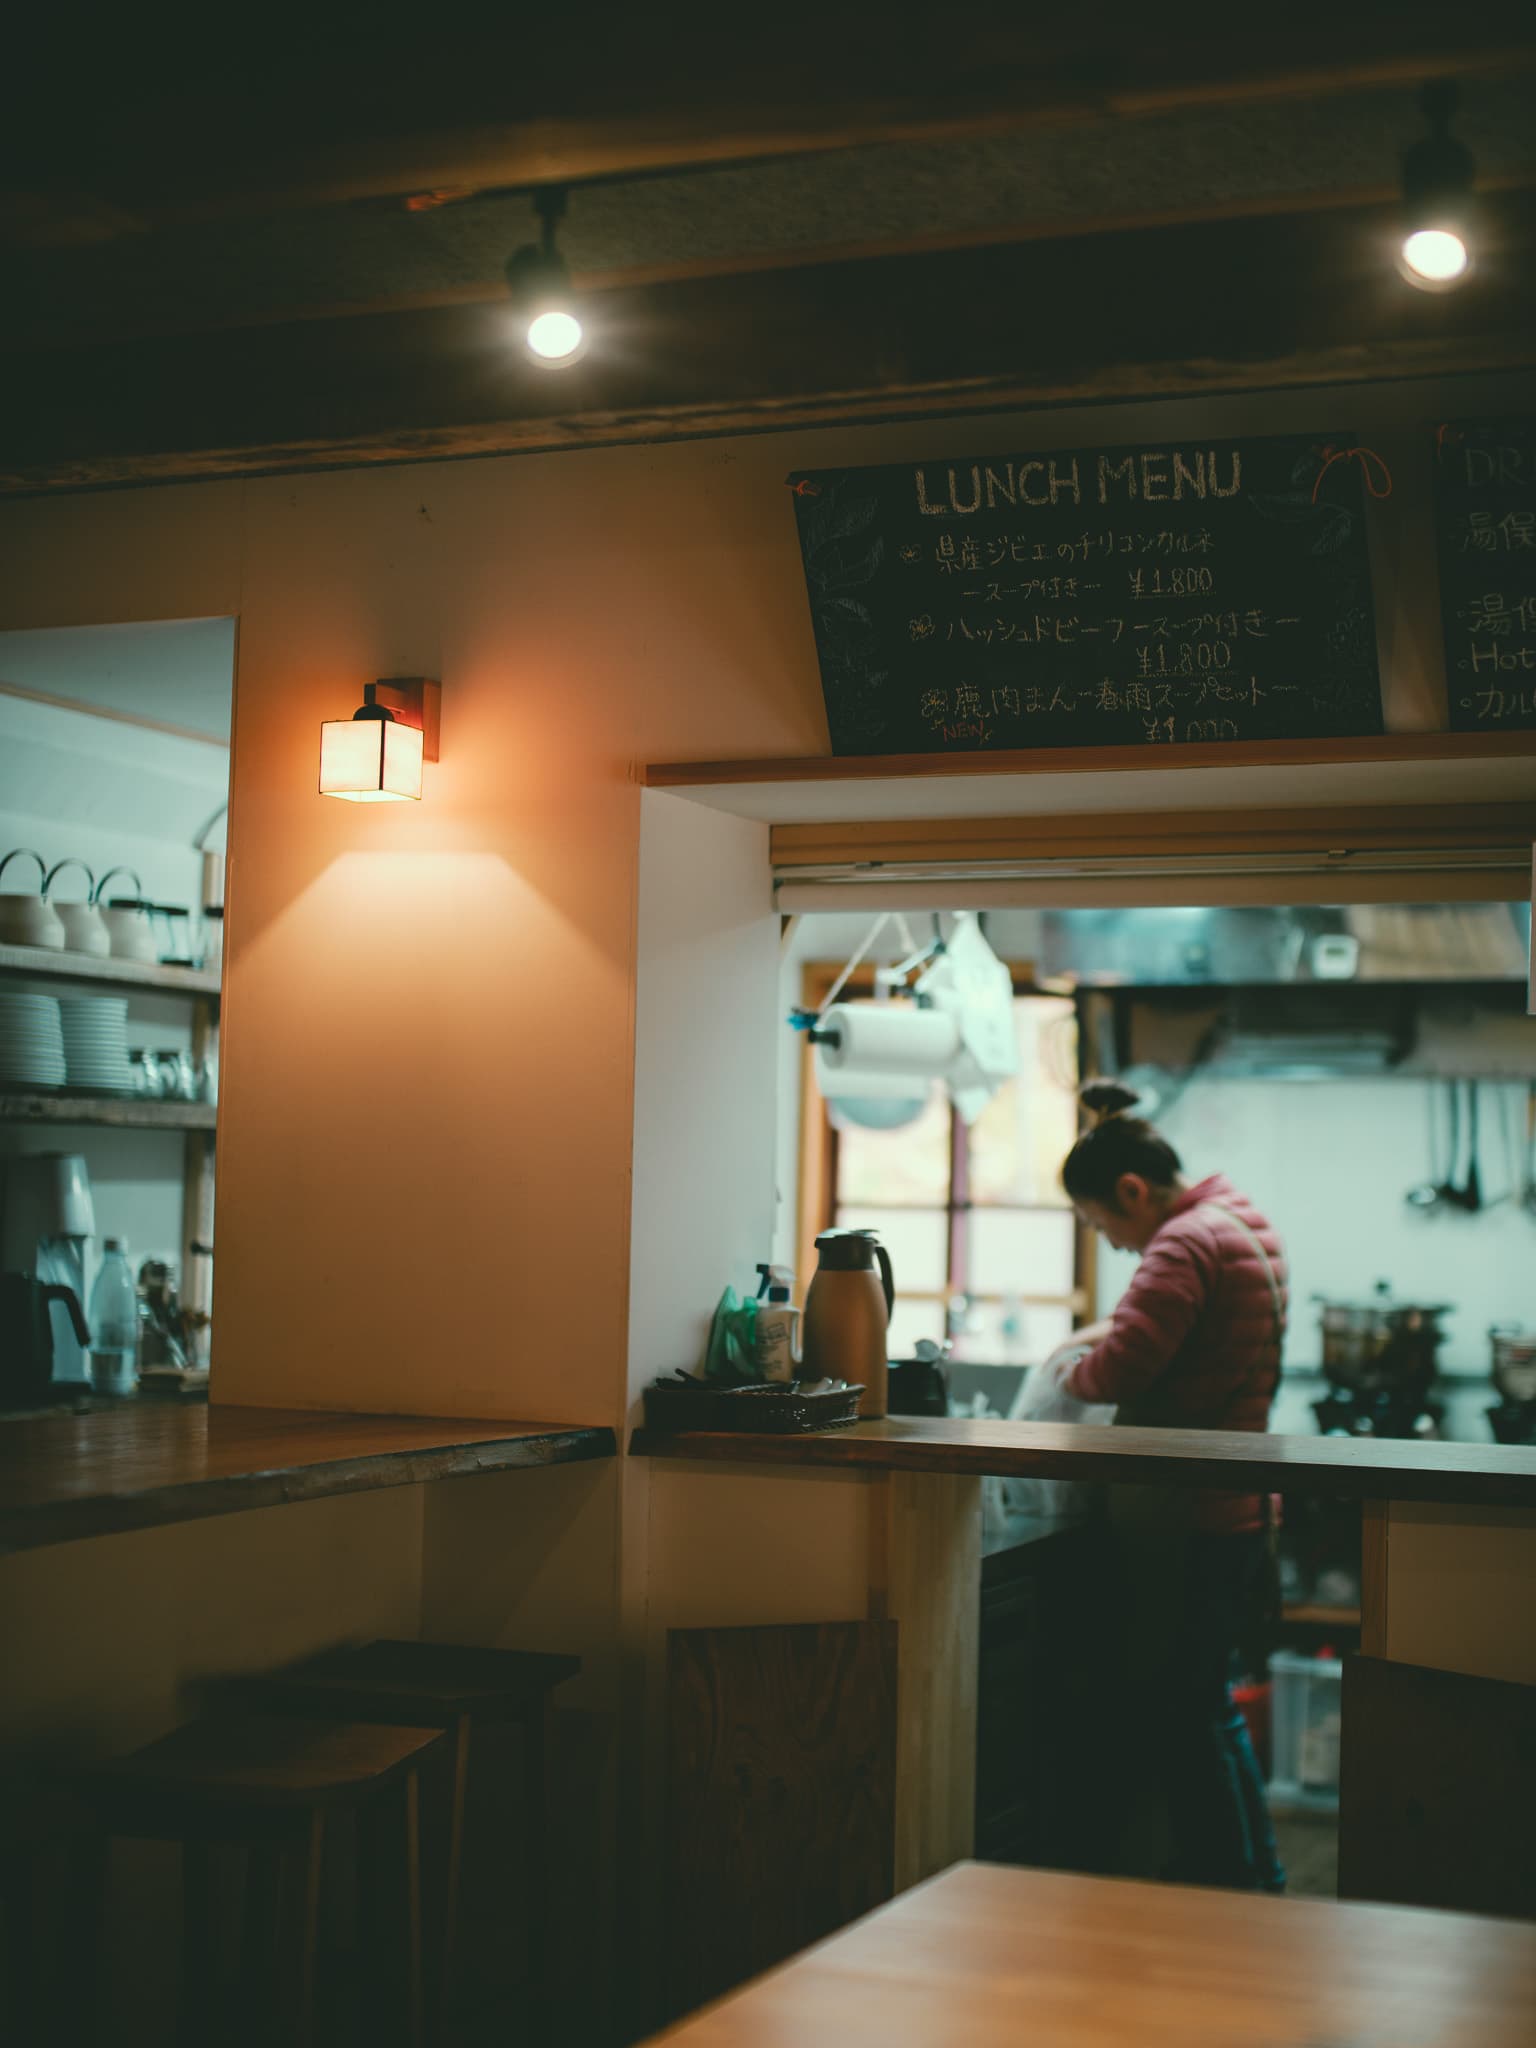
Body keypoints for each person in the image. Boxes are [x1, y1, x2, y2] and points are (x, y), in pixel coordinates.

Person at [1054, 1078, 1288, 1894]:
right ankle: (1254, 1876)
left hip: (1187, 1510)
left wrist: (1071, 1371)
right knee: (1207, 1699)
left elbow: (1127, 1365)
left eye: (1102, 1224)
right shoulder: (1239, 1221)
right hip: (1238, 1504)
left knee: (1186, 1708)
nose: (1113, 1244)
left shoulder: (1182, 1244)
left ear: (1131, 1190)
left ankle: (1224, 1881)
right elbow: (1181, 1335)